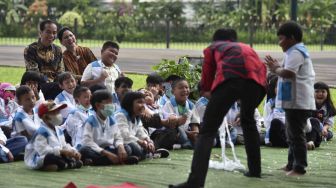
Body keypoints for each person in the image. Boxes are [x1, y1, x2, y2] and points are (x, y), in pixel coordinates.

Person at [170, 28, 266, 188]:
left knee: (207, 131)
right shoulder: (247, 48)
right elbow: (261, 69)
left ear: (215, 39)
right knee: (249, 124)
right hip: (258, 85)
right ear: (234, 39)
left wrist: (208, 92)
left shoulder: (213, 48)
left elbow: (207, 77)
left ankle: (195, 182)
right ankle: (255, 170)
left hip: (231, 80)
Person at [265, 21, 315, 176]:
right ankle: (291, 164)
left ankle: (299, 167)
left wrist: (275, 69)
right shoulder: (293, 52)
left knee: (296, 134)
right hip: (294, 102)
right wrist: (279, 67)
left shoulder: (296, 52)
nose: (279, 43)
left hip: (298, 102)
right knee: (291, 134)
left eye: (281, 39)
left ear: (291, 38)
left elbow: (289, 73)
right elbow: (288, 70)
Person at [80, 89, 138, 166]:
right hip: (97, 150)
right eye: (108, 102)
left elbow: (117, 137)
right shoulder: (90, 121)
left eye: (111, 102)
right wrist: (107, 154)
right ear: (97, 105)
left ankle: (104, 161)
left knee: (127, 148)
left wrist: (120, 147)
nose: (111, 105)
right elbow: (87, 142)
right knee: (84, 150)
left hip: (109, 148)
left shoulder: (111, 120)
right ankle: (117, 160)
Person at [24, 101, 82, 171]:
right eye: (54, 113)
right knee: (50, 157)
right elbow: (43, 151)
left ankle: (65, 165)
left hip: (58, 155)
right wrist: (61, 151)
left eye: (58, 112)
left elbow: (64, 145)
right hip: (42, 157)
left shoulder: (58, 129)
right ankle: (66, 164)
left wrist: (73, 151)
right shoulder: (42, 131)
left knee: (70, 157)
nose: (58, 115)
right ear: (45, 117)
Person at [115, 91, 169, 160]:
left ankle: (143, 155)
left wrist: (148, 141)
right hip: (121, 143)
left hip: (132, 141)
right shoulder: (120, 115)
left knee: (146, 143)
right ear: (129, 104)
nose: (143, 105)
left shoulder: (136, 116)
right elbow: (124, 135)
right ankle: (147, 155)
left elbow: (141, 132)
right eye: (139, 102)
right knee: (131, 147)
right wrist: (140, 142)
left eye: (144, 103)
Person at [24, 19, 63, 100]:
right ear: (40, 33)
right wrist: (53, 84)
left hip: (54, 85)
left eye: (54, 33)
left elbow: (60, 71)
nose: (52, 35)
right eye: (48, 32)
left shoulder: (58, 50)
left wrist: (62, 82)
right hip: (36, 84)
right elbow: (34, 72)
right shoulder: (30, 49)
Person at [162, 78, 200, 149]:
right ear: (173, 92)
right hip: (175, 133)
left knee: (212, 140)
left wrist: (195, 134)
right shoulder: (169, 104)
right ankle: (183, 144)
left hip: (187, 133)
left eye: (187, 87)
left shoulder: (191, 105)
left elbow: (194, 123)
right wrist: (188, 133)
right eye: (181, 88)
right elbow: (171, 124)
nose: (185, 90)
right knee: (181, 134)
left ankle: (186, 144)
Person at [306, 81, 336, 150]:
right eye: (317, 91)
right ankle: (311, 140)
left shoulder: (329, 108)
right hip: (308, 127)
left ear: (327, 94)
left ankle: (314, 139)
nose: (320, 94)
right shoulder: (307, 105)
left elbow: (329, 122)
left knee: (330, 134)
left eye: (323, 92)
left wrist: (325, 129)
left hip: (320, 129)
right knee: (313, 122)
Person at [263, 77, 287, 147]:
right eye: (277, 86)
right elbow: (266, 124)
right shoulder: (270, 104)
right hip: (276, 133)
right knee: (275, 122)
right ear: (273, 88)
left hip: (288, 132)